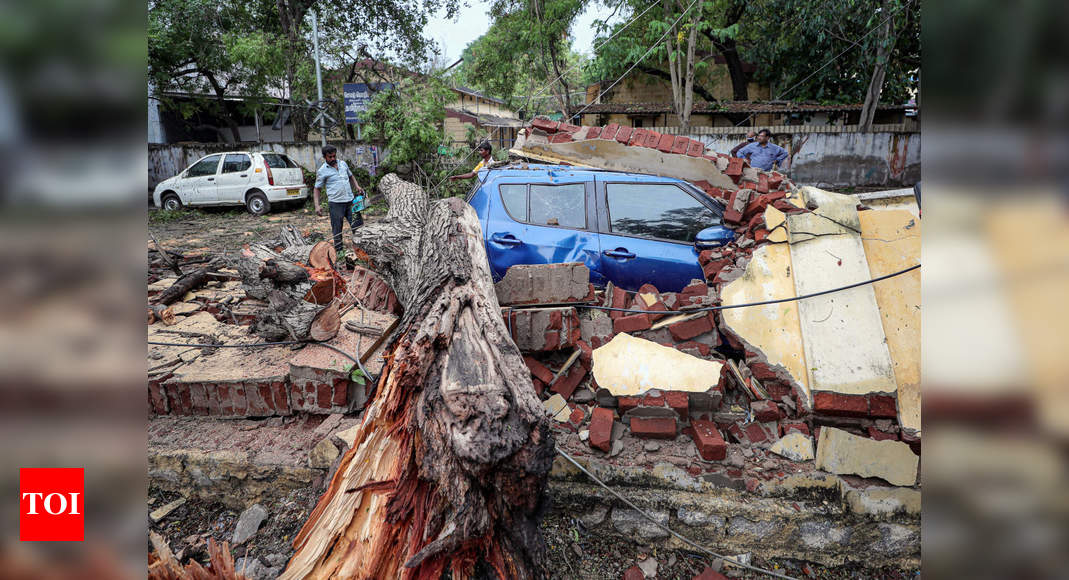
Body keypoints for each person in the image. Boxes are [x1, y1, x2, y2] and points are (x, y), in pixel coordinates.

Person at [313, 145, 365, 254]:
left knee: (358, 226)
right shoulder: (322, 171)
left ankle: (362, 250)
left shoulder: (343, 164)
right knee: (337, 230)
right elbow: (317, 188)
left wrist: (357, 186)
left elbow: (351, 176)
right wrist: (317, 205)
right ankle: (340, 253)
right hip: (336, 204)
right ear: (324, 157)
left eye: (334, 156)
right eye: (329, 157)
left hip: (350, 201)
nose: (332, 159)